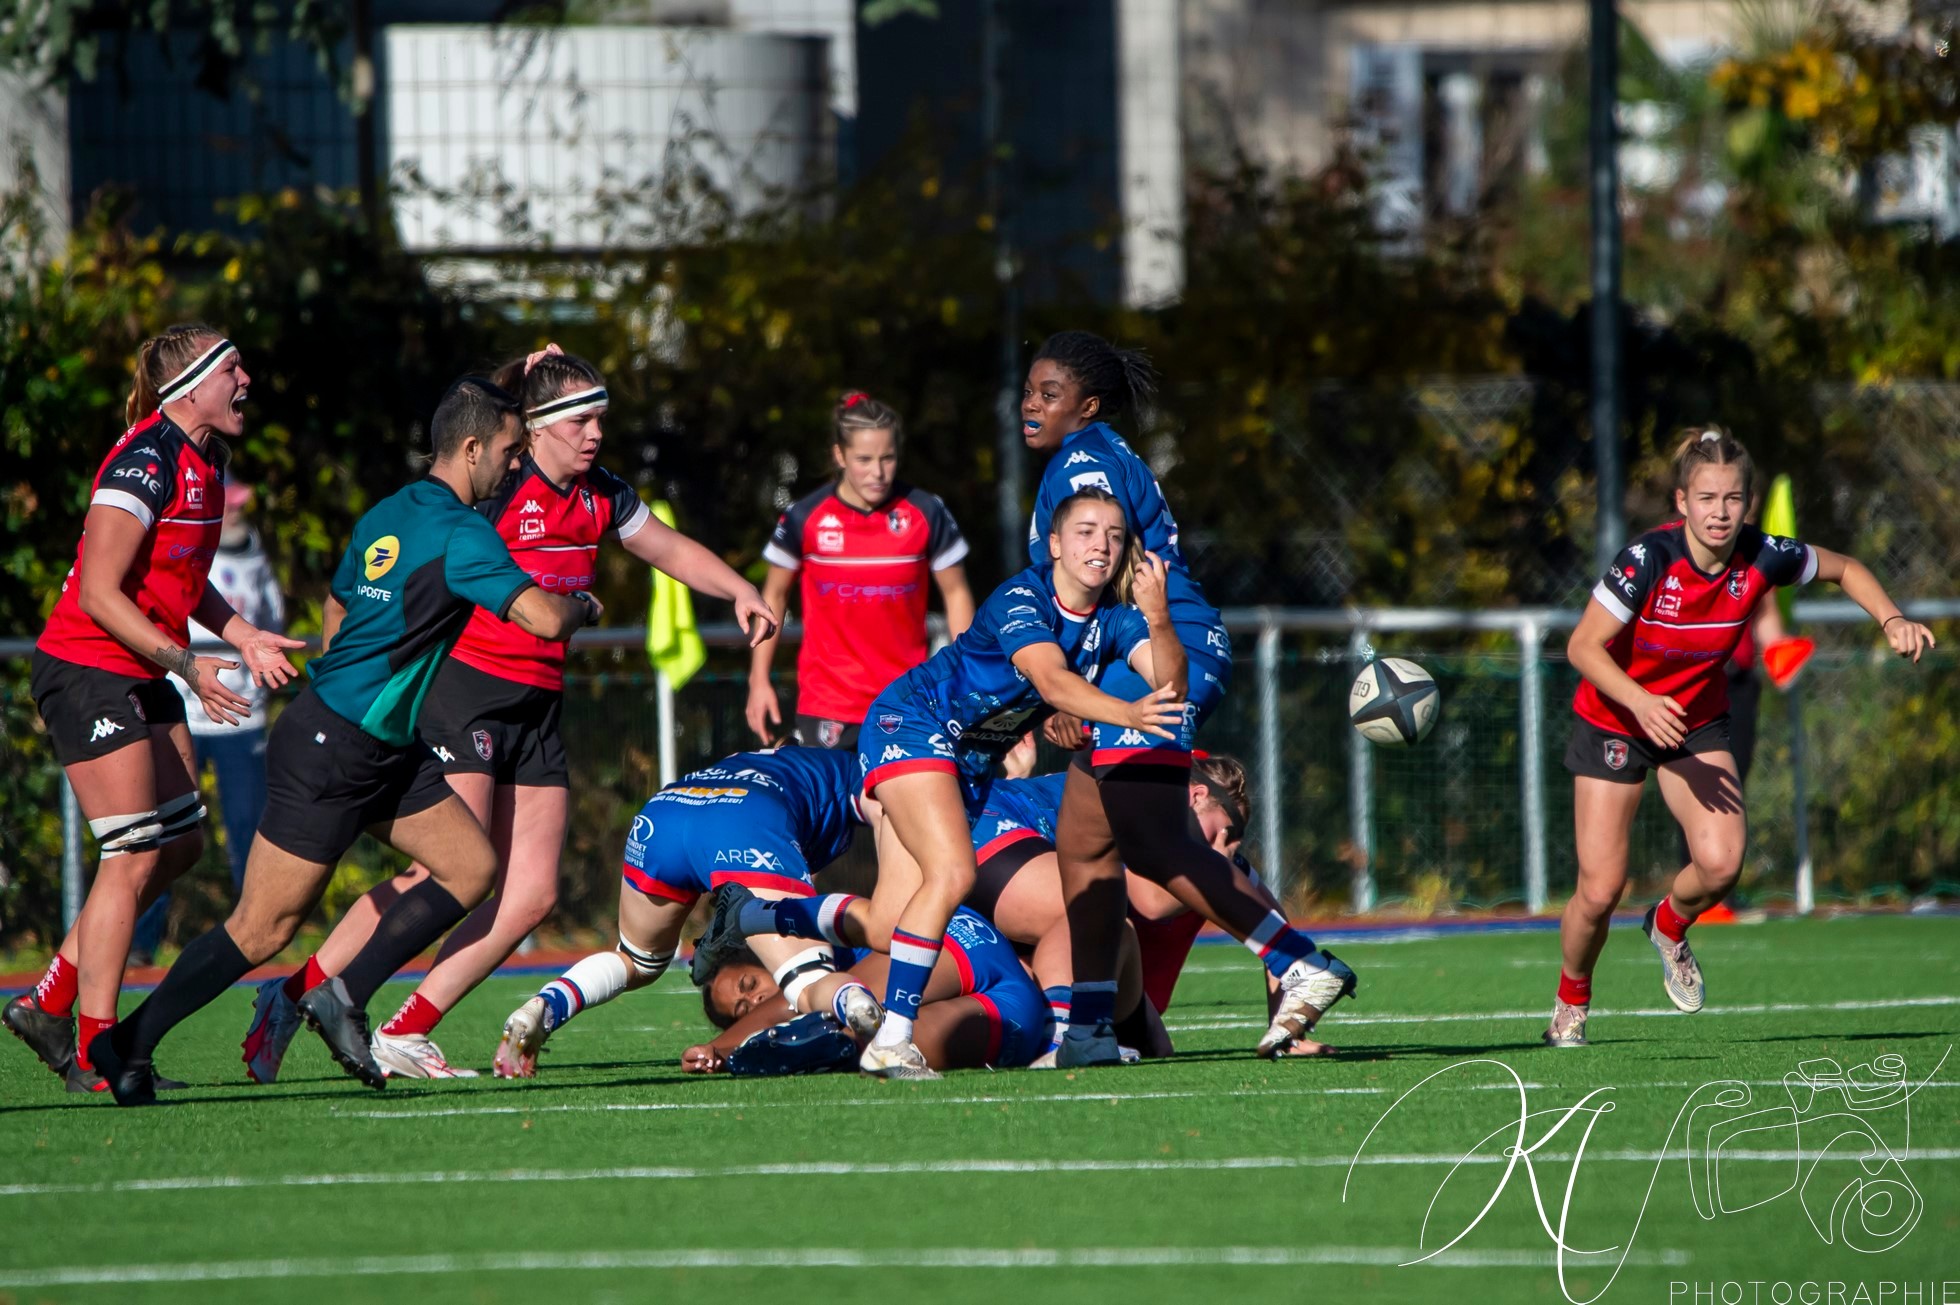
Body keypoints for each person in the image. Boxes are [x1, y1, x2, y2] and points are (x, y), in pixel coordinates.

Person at [240, 345, 776, 1082]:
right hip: (465, 697)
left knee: (531, 896)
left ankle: (404, 1027)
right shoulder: (494, 487)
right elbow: (463, 431)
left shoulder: (602, 494)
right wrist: (510, 373)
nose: (596, 433)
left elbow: (669, 550)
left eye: (601, 419)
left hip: (536, 706)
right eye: (582, 420)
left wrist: (741, 589)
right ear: (538, 425)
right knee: (441, 873)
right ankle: (301, 992)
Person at [88, 377, 598, 1106]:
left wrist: (361, 690)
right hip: (335, 749)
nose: (516, 464)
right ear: (472, 448)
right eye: (511, 451)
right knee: (262, 930)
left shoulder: (389, 510)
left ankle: (342, 994)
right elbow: (544, 621)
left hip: (378, 744)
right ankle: (127, 1044)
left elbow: (336, 602)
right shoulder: (464, 533)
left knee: (471, 867)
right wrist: (583, 604)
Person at [705, 486, 1189, 1080]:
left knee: (890, 920)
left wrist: (1159, 617)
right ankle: (893, 1039)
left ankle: (758, 917)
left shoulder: (1115, 618)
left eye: (1114, 535)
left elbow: (1172, 684)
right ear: (1055, 544)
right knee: (954, 873)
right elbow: (1053, 683)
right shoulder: (1024, 598)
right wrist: (1129, 713)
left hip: (968, 762)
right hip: (911, 724)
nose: (1103, 546)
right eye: (1086, 532)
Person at [1020, 330, 1353, 1066]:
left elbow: (1098, 560)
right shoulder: (1097, 451)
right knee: (1084, 840)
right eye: (1030, 389)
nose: (1031, 403)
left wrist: (1065, 685)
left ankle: (1296, 959)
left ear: (1088, 406)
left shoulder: (1081, 464)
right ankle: (1089, 1031)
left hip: (1158, 649)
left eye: (1050, 393)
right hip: (1143, 649)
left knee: (1151, 840)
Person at [1546, 427, 1934, 1048]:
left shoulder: (1763, 555)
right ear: (1682, 502)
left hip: (1694, 720)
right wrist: (1641, 701)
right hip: (1616, 716)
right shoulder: (1646, 561)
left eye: (1732, 498)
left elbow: (1846, 567)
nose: (1720, 512)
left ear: (1748, 504)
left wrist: (1890, 619)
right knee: (1599, 890)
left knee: (1722, 863)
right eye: (1706, 498)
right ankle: (1571, 1002)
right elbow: (1582, 647)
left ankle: (1668, 925)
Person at [4, 326, 301, 1093]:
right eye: (232, 368)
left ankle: (48, 1002)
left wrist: (241, 633)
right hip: (88, 668)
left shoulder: (210, 461)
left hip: (142, 668)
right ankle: (100, 1050)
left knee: (181, 842)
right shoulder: (145, 460)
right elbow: (99, 593)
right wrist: (189, 665)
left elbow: (182, 576)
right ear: (190, 387)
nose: (246, 379)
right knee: (132, 851)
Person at [492, 746, 882, 1078]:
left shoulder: (782, 763)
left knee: (636, 960)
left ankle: (547, 1007)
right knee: (809, 983)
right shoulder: (873, 776)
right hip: (745, 815)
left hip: (666, 811)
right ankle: (860, 1009)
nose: (757, 1000)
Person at [747, 391, 974, 750]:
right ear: (840, 455)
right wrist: (758, 679)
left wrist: (967, 677)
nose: (878, 472)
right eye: (864, 460)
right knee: (827, 788)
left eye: (888, 458)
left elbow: (956, 593)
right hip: (828, 703)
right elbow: (772, 595)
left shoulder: (926, 512)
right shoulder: (805, 517)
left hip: (907, 699)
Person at [130, 482, 288, 963]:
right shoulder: (190, 552)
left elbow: (272, 622)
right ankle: (139, 942)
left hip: (242, 719)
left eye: (239, 505)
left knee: (248, 830)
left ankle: (253, 934)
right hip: (187, 712)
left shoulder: (257, 561)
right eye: (229, 505)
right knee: (167, 830)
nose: (235, 514)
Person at [686, 906, 1053, 1075]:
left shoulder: (809, 943)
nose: (754, 1000)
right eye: (743, 1010)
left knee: (816, 998)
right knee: (875, 1051)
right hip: (1018, 1023)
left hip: (954, 937)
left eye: (750, 984)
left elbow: (795, 998)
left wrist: (718, 1049)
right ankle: (823, 1050)